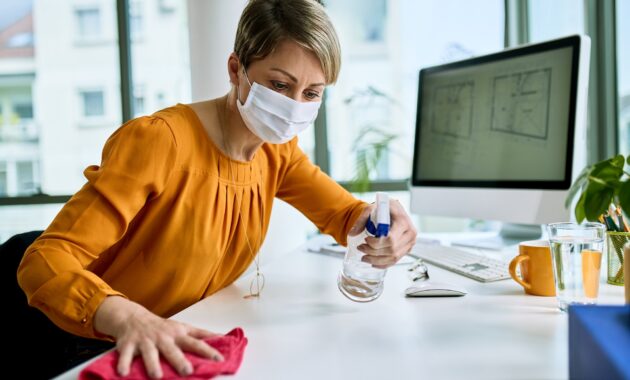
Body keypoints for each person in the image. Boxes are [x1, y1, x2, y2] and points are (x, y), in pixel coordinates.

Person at [15, 0, 417, 378]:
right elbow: (44, 260)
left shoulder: (277, 152)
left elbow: (343, 215)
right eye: (279, 85)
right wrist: (127, 317)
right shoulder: (160, 142)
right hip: (74, 337)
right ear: (235, 69)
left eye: (311, 93)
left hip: (165, 338)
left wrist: (383, 224)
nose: (295, 106)